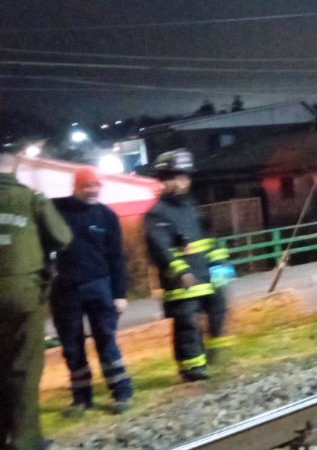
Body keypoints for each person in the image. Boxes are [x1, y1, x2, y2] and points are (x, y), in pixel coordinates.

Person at [0, 151, 72, 450]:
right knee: (25, 367)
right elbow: (62, 236)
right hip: (23, 293)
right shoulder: (31, 199)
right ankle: (25, 440)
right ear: (14, 167)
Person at [50, 168, 134, 417]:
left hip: (100, 286)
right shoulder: (56, 210)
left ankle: (121, 393)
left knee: (107, 341)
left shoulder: (107, 216)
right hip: (65, 290)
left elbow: (116, 257)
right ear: (75, 186)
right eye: (88, 186)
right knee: (72, 347)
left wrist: (119, 294)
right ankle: (81, 399)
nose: (93, 190)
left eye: (97, 186)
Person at [144, 149, 230, 382]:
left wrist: (220, 264)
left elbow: (209, 239)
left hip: (206, 277)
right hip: (182, 282)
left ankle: (213, 356)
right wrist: (181, 271)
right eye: (178, 176)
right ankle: (192, 368)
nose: (184, 182)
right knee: (188, 324)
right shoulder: (156, 214)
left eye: (186, 176)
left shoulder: (191, 207)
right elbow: (161, 250)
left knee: (218, 313)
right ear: (163, 180)